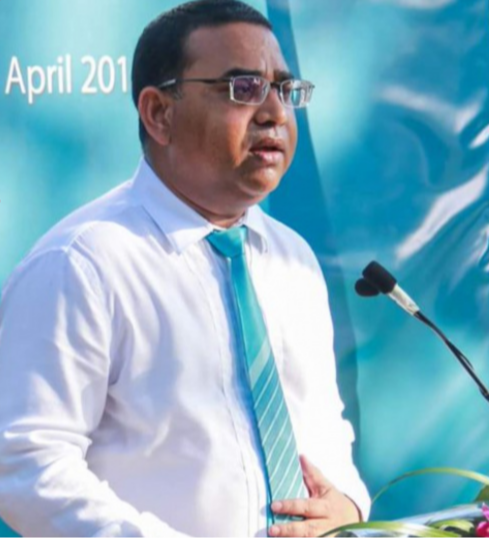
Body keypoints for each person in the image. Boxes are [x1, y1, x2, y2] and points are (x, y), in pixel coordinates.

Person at [0, 1, 370, 537]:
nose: (274, 112)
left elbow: (323, 425)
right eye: (244, 88)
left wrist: (348, 504)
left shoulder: (293, 258)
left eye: (285, 89)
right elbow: (26, 464)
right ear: (159, 113)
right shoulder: (82, 264)